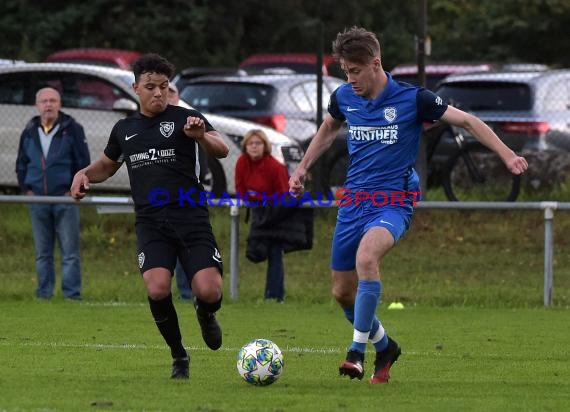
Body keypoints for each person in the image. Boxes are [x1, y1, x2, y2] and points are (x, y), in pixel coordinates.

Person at [288, 27, 528, 384]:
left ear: (375, 63)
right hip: (354, 202)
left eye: (355, 71)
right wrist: (303, 168)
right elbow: (327, 128)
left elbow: (467, 121)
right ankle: (385, 347)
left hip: (393, 202)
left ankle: (356, 353)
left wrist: (507, 155)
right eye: (345, 72)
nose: (350, 79)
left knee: (367, 259)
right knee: (341, 292)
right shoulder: (344, 97)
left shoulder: (414, 99)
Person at [70, 53, 230, 379]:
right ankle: (179, 355)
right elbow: (106, 165)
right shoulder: (124, 129)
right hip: (151, 222)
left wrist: (200, 136)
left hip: (190, 219)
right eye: (151, 87)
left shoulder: (186, 118)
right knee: (157, 288)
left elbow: (221, 148)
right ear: (136, 89)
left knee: (209, 292)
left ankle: (205, 313)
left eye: (163, 86)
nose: (158, 93)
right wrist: (84, 173)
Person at [16, 87, 90, 300]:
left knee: (70, 253)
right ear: (37, 105)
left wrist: (74, 191)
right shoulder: (29, 130)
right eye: (44, 101)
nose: (48, 105)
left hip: (64, 198)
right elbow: (21, 163)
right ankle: (44, 294)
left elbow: (83, 163)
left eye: (53, 100)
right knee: (42, 253)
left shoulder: (73, 129)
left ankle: (71, 295)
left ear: (60, 104)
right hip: (37, 199)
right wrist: (26, 190)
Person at [235, 129, 313, 302]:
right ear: (245, 146)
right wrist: (254, 199)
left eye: (258, 143)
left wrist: (261, 199)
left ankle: (275, 296)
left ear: (265, 146)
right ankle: (272, 295)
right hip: (260, 212)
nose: (254, 147)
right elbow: (241, 189)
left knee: (275, 252)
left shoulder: (275, 166)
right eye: (250, 143)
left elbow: (284, 195)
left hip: (277, 213)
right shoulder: (242, 162)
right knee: (259, 251)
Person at [166, 82, 193, 301]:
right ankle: (165, 293)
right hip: (159, 200)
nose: (166, 95)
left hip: (186, 199)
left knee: (187, 247)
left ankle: (187, 293)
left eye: (171, 91)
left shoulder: (190, 121)